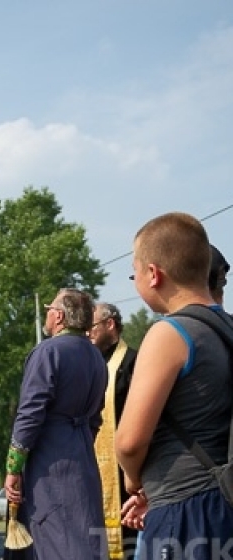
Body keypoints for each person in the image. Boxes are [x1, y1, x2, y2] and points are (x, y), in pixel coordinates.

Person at [116, 212, 233, 558]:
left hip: (185, 512)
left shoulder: (169, 333)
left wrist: (134, 481)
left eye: (134, 271)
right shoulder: (227, 328)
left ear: (153, 274)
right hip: (224, 502)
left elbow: (130, 441)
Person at [4, 288, 108, 559]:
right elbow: (96, 417)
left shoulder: (48, 352)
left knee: (53, 541)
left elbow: (30, 413)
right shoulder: (97, 357)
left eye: (49, 309)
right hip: (83, 459)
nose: (47, 314)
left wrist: (13, 469)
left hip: (49, 465)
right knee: (84, 536)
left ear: (59, 316)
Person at [89, 302, 138, 559]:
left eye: (93, 326)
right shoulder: (88, 366)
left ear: (110, 325)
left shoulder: (134, 362)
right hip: (93, 476)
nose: (88, 332)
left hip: (127, 479)